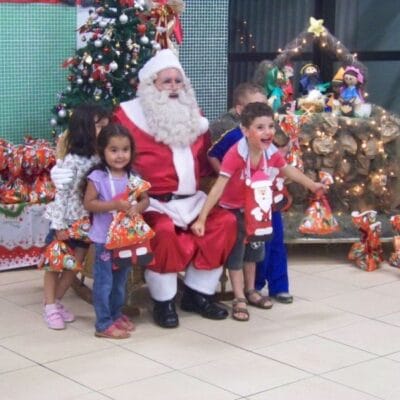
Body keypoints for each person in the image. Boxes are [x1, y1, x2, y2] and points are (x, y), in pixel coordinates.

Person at [113, 49, 237, 328]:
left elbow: (205, 162)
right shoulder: (127, 116)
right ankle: (164, 301)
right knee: (164, 232)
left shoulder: (194, 115)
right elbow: (114, 160)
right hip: (152, 202)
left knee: (224, 222)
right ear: (151, 85)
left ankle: (197, 293)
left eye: (178, 81)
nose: (173, 87)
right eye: (166, 81)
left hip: (192, 200)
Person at [191, 102, 325, 321]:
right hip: (234, 211)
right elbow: (219, 187)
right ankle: (238, 296)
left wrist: (312, 185)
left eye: (271, 126)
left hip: (257, 210)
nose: (268, 132)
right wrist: (202, 218)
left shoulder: (269, 152)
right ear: (245, 131)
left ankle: (251, 290)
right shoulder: (236, 154)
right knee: (237, 255)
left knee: (254, 252)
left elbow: (287, 169)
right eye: (260, 127)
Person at [208, 83, 293, 304]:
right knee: (246, 243)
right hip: (241, 201)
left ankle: (279, 285)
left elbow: (281, 154)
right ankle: (252, 286)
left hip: (266, 194)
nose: (262, 110)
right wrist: (225, 176)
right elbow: (212, 154)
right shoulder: (229, 131)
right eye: (255, 105)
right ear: (240, 110)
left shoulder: (269, 130)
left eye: (265, 105)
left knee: (274, 237)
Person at [41, 103, 110, 330]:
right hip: (65, 221)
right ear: (84, 128)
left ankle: (57, 301)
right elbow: (62, 195)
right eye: (98, 126)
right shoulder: (73, 160)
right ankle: (49, 305)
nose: (103, 130)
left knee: (74, 265)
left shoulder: (101, 158)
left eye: (105, 125)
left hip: (85, 224)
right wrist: (59, 225)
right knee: (55, 264)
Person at [83, 123, 149, 339]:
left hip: (126, 239)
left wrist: (138, 207)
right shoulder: (98, 177)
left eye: (125, 150)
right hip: (104, 240)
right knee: (104, 282)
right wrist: (114, 205)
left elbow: (145, 199)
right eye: (114, 150)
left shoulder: (133, 175)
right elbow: (89, 203)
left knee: (121, 281)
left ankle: (115, 314)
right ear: (102, 151)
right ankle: (103, 323)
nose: (120, 155)